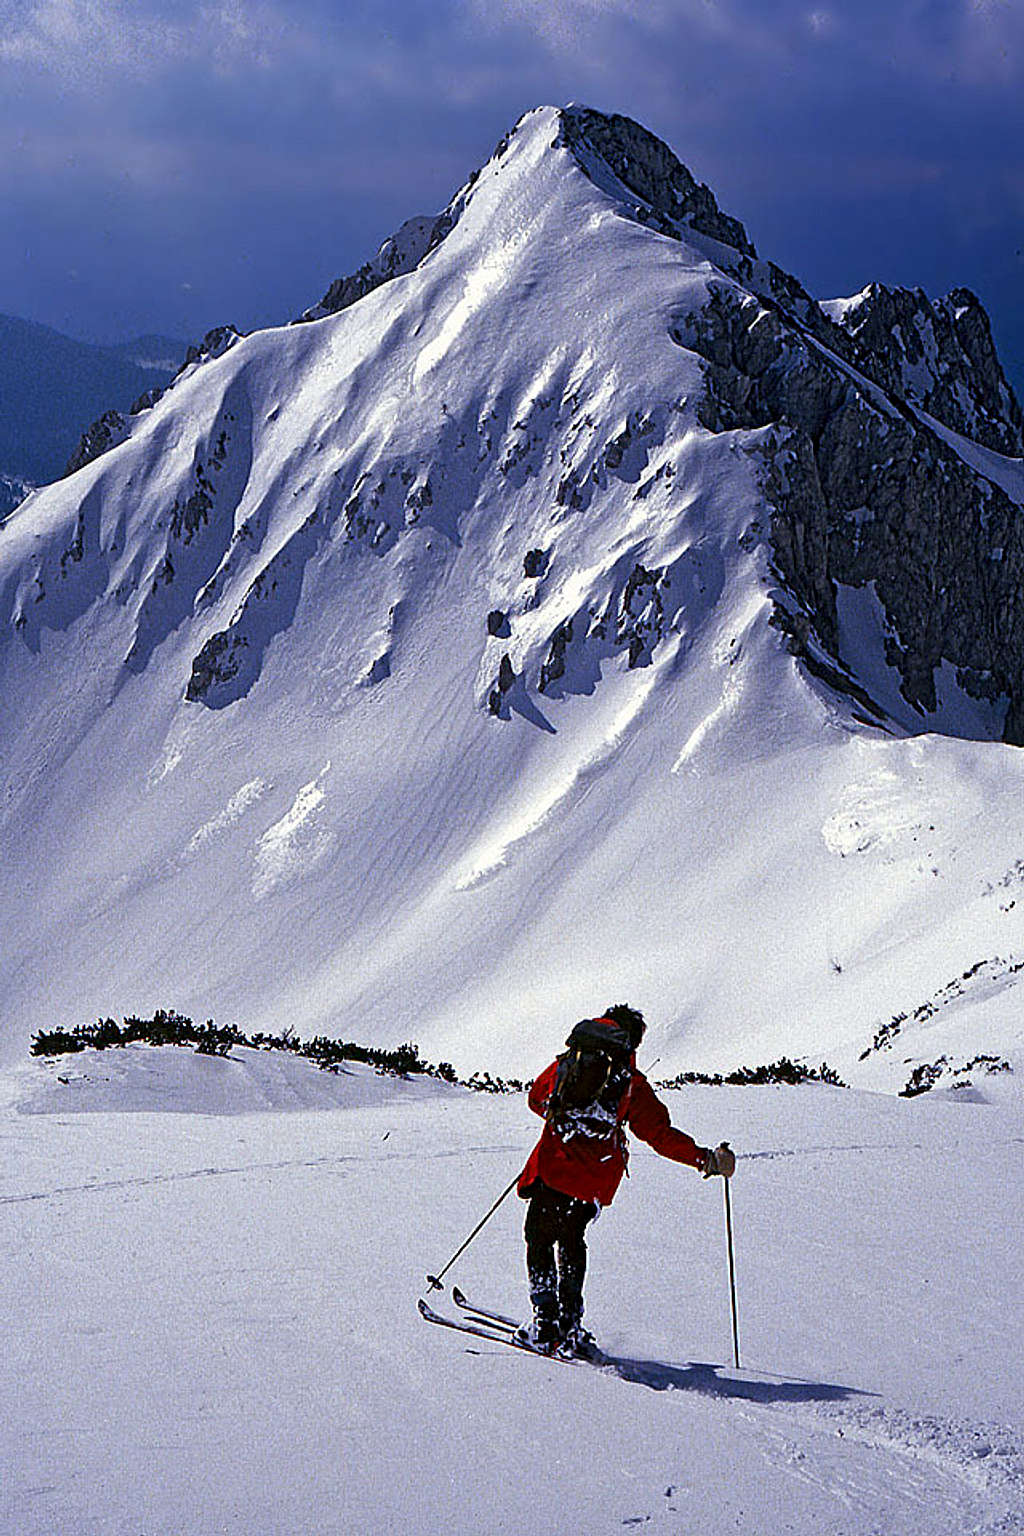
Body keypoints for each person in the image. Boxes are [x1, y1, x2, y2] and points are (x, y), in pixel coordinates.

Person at [516, 1003, 735, 1357]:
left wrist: (562, 1117)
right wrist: (705, 1159)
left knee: (539, 1239)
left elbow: (535, 1098)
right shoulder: (631, 1082)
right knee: (572, 1240)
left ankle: (544, 1325)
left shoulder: (570, 1061)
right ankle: (570, 1326)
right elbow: (659, 1134)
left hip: (555, 1168)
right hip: (594, 1181)